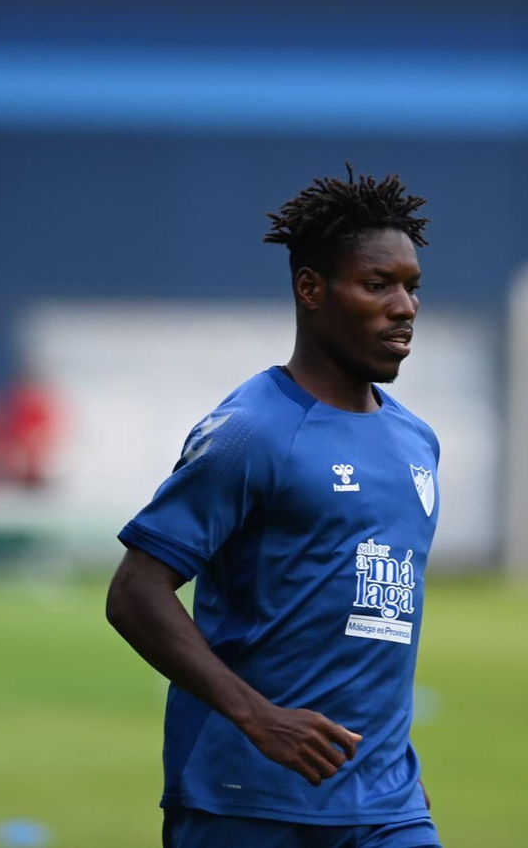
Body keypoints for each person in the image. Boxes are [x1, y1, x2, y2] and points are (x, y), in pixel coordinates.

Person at [106, 166, 442, 848]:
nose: (403, 306)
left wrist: (397, 772)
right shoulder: (253, 433)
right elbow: (135, 592)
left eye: (411, 286)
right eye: (377, 284)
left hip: (384, 803)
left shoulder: (417, 442)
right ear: (310, 289)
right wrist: (257, 718)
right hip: (245, 798)